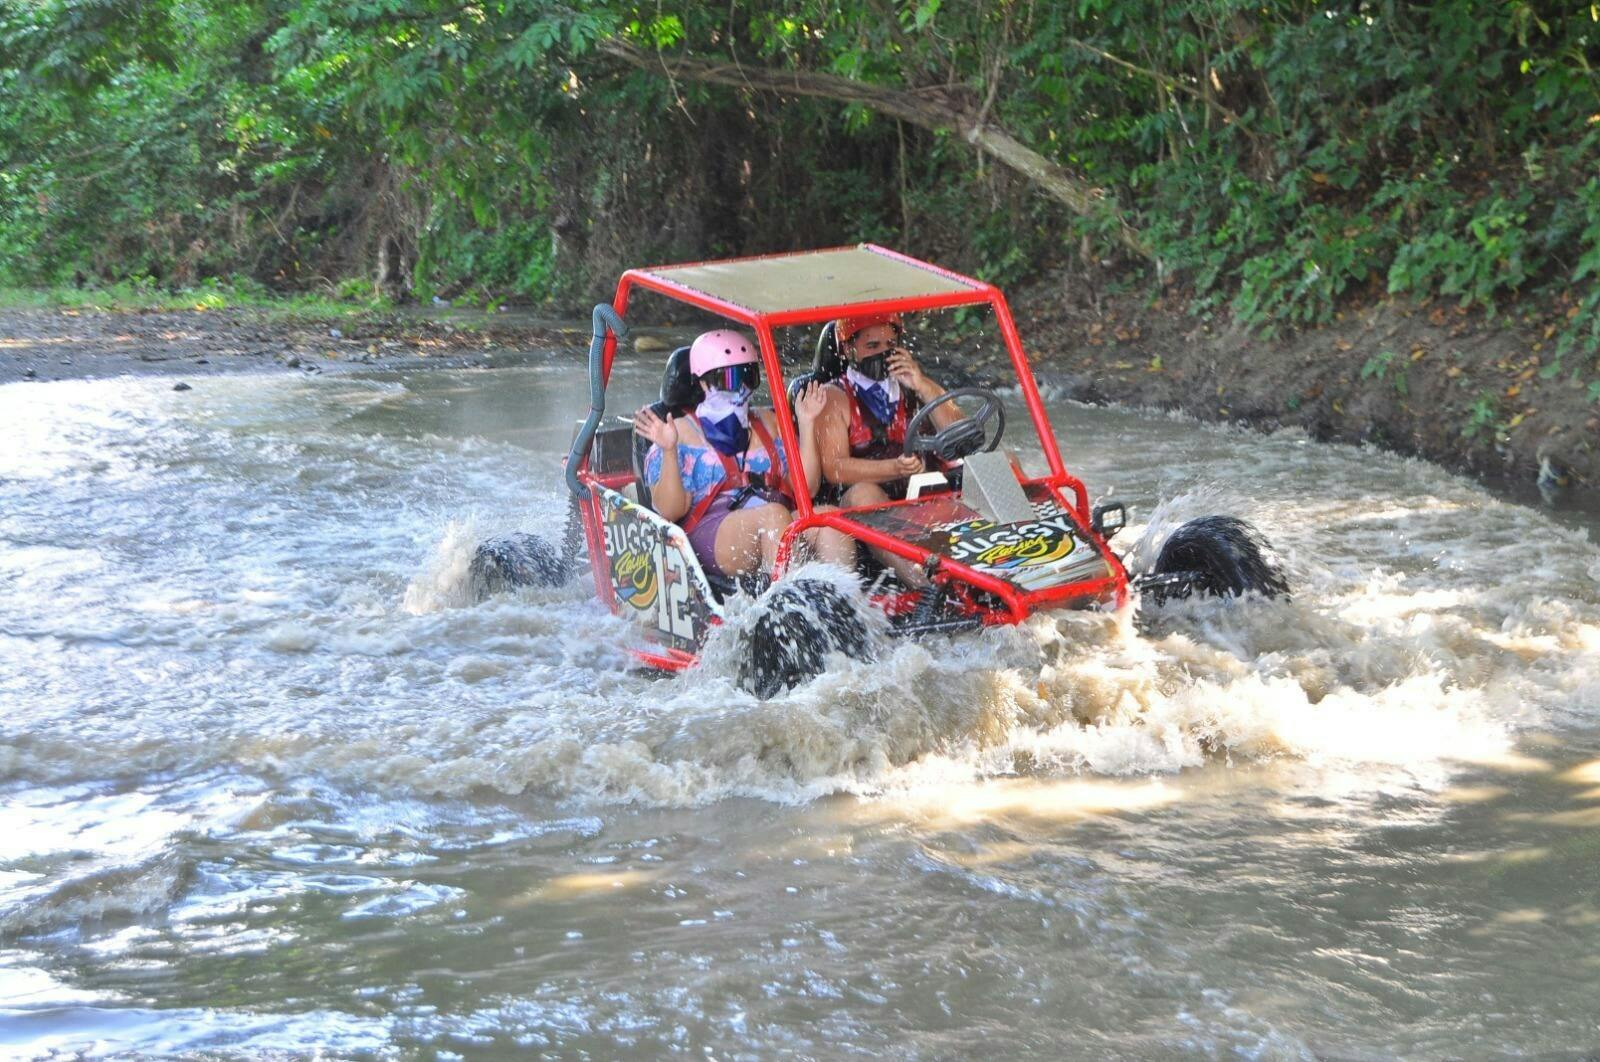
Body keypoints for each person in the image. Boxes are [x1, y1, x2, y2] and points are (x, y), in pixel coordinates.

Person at [632, 329, 851, 582]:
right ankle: (795, 603)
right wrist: (669, 450)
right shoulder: (676, 431)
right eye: (729, 378)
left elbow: (807, 489)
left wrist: (807, 422)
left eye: (749, 376)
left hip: (776, 520)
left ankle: (841, 600)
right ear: (703, 382)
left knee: (830, 520)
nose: (741, 388)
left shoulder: (768, 421)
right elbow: (670, 511)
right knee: (773, 516)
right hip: (712, 527)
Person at [814, 313, 966, 585]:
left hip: (925, 493)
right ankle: (924, 584)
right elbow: (835, 468)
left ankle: (1032, 558)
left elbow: (962, 438)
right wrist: (894, 468)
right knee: (864, 493)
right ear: (849, 349)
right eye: (872, 347)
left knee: (1004, 462)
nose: (883, 354)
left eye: (890, 345)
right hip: (865, 503)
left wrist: (922, 385)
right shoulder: (834, 396)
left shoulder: (916, 384)